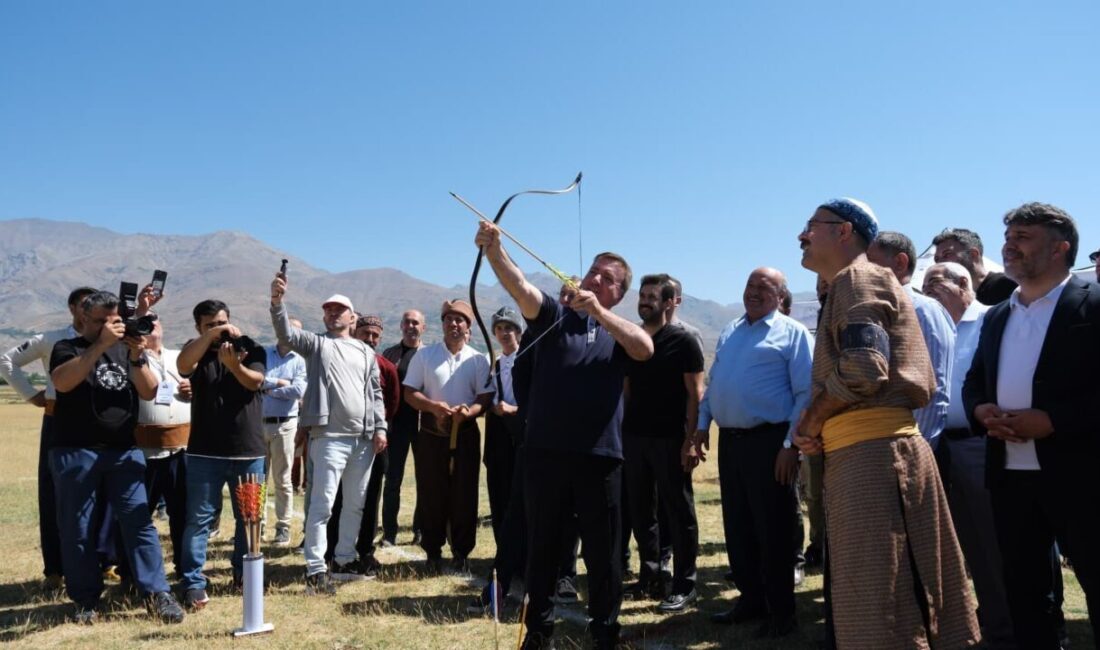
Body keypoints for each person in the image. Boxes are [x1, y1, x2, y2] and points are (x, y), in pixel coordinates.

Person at [794, 197, 979, 647]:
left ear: (844, 232)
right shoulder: (852, 282)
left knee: (883, 594)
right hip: (868, 454)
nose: (801, 236)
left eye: (811, 226)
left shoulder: (858, 278)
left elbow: (863, 365)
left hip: (875, 461)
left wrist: (813, 418)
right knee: (888, 589)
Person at [475, 220, 654, 650]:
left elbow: (644, 349)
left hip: (600, 457)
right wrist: (495, 251)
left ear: (617, 293)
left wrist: (598, 312)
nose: (594, 278)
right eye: (593, 270)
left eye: (606, 278)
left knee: (603, 552)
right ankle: (539, 630)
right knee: (543, 546)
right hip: (545, 453)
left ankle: (605, 629)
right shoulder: (554, 319)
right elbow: (521, 288)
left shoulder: (617, 330)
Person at [962, 202, 1100, 648]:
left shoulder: (1093, 304)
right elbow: (974, 381)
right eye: (1008, 237)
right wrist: (982, 411)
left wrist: (1055, 421)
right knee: (1025, 594)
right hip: (1010, 476)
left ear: (1061, 248)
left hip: (1082, 477)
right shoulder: (998, 315)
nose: (1009, 245)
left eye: (1023, 237)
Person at [48, 290, 184, 624]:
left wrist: (136, 356)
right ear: (85, 320)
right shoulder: (68, 348)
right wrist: (100, 346)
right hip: (75, 451)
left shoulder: (127, 350)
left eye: (116, 321)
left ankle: (157, 593)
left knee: (139, 523)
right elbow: (63, 383)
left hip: (124, 451)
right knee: (78, 528)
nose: (112, 327)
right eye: (103, 322)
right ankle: (85, 600)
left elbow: (149, 390)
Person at [703, 268, 813, 638]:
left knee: (774, 529)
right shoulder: (733, 330)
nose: (754, 292)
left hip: (770, 443)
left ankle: (782, 613)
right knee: (738, 527)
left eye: (764, 287)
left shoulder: (792, 334)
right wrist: (702, 424)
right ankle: (751, 600)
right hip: (731, 443)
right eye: (750, 285)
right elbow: (716, 381)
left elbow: (805, 395)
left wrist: (790, 446)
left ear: (780, 296)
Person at [270, 278, 387, 593]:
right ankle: (316, 568)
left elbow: (375, 393)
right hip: (328, 437)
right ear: (324, 317)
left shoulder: (365, 351)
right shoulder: (317, 344)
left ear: (353, 317)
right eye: (329, 309)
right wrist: (278, 302)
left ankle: (345, 560)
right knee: (322, 504)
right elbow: (285, 333)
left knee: (355, 505)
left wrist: (380, 428)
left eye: (340, 309)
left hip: (362, 440)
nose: (334, 313)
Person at [922, 262, 1014, 648]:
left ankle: (1010, 631)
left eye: (934, 283)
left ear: (964, 284)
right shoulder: (927, 325)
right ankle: (977, 626)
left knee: (994, 545)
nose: (926, 291)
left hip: (981, 444)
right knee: (957, 546)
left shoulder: (994, 320)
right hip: (938, 447)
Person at [0, 286, 96, 588]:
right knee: (54, 494)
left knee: (101, 493)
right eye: (84, 305)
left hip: (99, 425)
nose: (89, 311)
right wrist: (31, 395)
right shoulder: (51, 339)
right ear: (72, 308)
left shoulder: (107, 340)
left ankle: (104, 562)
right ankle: (54, 570)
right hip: (58, 421)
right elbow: (7, 361)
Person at [176, 299, 267, 610]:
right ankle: (192, 583)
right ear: (199, 328)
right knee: (198, 520)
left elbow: (255, 382)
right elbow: (183, 366)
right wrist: (209, 339)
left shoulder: (250, 347)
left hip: (249, 451)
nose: (220, 329)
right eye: (211, 325)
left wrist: (234, 365)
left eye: (223, 322)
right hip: (204, 452)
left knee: (249, 519)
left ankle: (245, 575)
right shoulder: (197, 350)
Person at [622, 273, 704, 612]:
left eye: (653, 297)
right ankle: (650, 578)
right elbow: (627, 390)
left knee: (678, 511)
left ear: (670, 302)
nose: (645, 302)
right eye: (642, 296)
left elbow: (695, 394)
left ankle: (684, 584)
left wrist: (691, 440)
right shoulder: (633, 339)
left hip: (671, 439)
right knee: (642, 512)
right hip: (634, 439)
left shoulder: (683, 341)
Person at [402, 299, 493, 575]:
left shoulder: (478, 358)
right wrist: (433, 407)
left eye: (460, 320)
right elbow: (410, 392)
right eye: (449, 320)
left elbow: (485, 397)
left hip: (464, 434)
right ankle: (432, 552)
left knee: (464, 494)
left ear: (468, 327)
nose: (454, 324)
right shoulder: (425, 356)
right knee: (432, 492)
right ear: (442, 324)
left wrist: (469, 412)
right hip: (431, 434)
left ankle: (462, 552)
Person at [323, 314, 400, 577]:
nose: (370, 339)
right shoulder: (339, 360)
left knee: (369, 499)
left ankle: (365, 551)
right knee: (338, 498)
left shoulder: (386, 367)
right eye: (365, 333)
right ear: (355, 332)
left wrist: (377, 429)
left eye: (375, 335)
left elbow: (391, 403)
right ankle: (333, 551)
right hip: (341, 440)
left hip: (374, 443)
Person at [867, 231, 956, 451]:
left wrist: (916, 451)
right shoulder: (877, 311)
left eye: (869, 263)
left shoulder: (921, 310)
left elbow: (933, 390)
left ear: (899, 263)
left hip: (911, 452)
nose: (860, 272)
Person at [135, 314, 192, 580]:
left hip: (181, 449)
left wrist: (194, 388)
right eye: (144, 322)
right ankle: (134, 573)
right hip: (143, 451)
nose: (152, 324)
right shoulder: (129, 358)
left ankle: (184, 569)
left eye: (155, 320)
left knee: (183, 515)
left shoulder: (181, 358)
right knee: (138, 517)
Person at [261, 317, 307, 547]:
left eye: (294, 332)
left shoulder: (300, 361)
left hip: (285, 424)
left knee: (282, 479)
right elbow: (257, 380)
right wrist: (280, 382)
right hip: (259, 424)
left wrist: (271, 390)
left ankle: (283, 527)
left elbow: (298, 389)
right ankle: (257, 525)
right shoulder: (263, 354)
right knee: (258, 479)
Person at [381, 309, 425, 546]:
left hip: (422, 425)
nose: (411, 326)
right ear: (401, 326)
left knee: (424, 480)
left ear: (423, 328)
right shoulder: (389, 354)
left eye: (415, 322)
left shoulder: (429, 355)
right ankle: (389, 533)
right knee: (392, 481)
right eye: (407, 322)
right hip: (395, 426)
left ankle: (420, 530)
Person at [483, 306, 524, 546]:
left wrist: (515, 410)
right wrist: (493, 406)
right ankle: (503, 548)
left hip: (522, 432)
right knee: (499, 493)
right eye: (499, 328)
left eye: (509, 327)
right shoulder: (495, 365)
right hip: (499, 435)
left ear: (518, 331)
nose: (504, 333)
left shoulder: (528, 360)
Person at [933, 228, 1018, 305]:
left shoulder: (1008, 286)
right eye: (936, 259)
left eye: (947, 254)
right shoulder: (952, 301)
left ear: (973, 254)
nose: (940, 263)